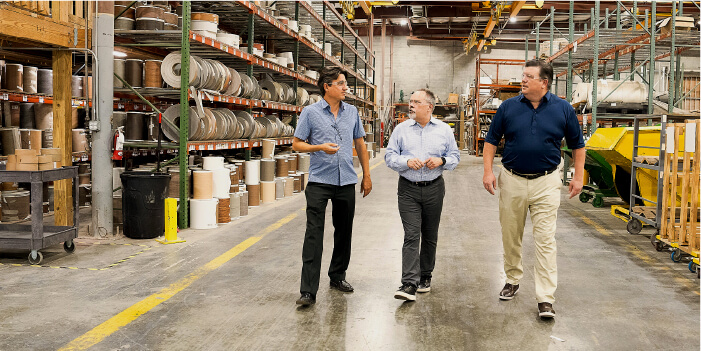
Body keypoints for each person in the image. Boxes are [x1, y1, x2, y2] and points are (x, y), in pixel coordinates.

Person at [482, 59, 585, 318]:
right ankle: (513, 279)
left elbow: (577, 145)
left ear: (544, 82)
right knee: (511, 234)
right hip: (512, 179)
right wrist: (487, 171)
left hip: (547, 181)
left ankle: (545, 298)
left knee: (545, 240)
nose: (523, 80)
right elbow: (491, 141)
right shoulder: (508, 107)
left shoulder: (563, 109)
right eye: (523, 75)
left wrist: (578, 176)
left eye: (528, 76)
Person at [293, 66, 372, 306]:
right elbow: (297, 144)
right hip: (319, 181)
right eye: (341, 83)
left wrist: (366, 175)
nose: (345, 87)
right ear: (327, 86)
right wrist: (319, 147)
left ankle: (337, 276)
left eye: (345, 83)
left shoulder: (352, 112)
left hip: (346, 180)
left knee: (344, 232)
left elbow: (359, 143)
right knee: (314, 235)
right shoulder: (310, 113)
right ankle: (308, 291)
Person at [385, 89, 460, 301]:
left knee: (429, 234)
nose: (411, 105)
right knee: (411, 235)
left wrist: (442, 161)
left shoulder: (444, 130)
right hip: (408, 188)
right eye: (411, 101)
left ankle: (425, 275)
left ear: (429, 106)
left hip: (434, 187)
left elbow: (454, 157)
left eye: (416, 102)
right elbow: (389, 156)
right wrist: (405, 162)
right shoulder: (401, 130)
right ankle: (409, 283)